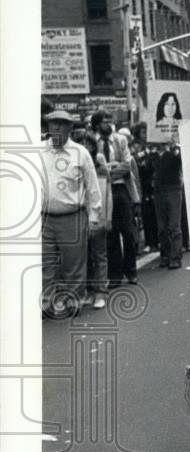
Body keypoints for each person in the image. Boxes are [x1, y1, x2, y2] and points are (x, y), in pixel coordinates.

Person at [40, 109, 102, 318]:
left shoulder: (80, 153)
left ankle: (74, 301)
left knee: (73, 263)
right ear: (48, 127)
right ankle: (46, 303)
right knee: (45, 263)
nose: (56, 128)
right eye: (53, 124)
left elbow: (92, 187)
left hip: (72, 216)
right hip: (44, 218)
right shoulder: (38, 151)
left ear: (70, 129)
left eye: (61, 124)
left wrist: (94, 218)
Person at [91, 108, 140, 286]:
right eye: (105, 121)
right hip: (103, 190)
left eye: (110, 120)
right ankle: (115, 275)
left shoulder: (120, 140)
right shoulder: (92, 141)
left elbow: (127, 164)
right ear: (97, 124)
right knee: (110, 234)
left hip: (121, 189)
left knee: (128, 232)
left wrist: (108, 171)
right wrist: (111, 168)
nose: (109, 124)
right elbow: (93, 168)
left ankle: (131, 271)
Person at [79, 131, 112, 308]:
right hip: (79, 216)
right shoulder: (74, 167)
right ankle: (88, 291)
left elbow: (107, 195)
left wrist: (108, 217)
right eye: (82, 143)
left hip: (98, 216)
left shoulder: (101, 168)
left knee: (99, 255)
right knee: (82, 256)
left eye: (89, 144)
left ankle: (101, 292)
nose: (86, 147)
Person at [151, 135, 184, 269]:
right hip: (159, 191)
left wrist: (174, 147)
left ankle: (175, 257)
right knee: (162, 226)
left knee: (174, 225)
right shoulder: (152, 155)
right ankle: (165, 255)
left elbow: (180, 160)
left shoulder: (174, 152)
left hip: (173, 189)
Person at [131, 122, 158, 252]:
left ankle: (157, 240)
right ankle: (149, 241)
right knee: (146, 213)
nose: (145, 134)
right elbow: (134, 159)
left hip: (152, 180)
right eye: (143, 132)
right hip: (141, 181)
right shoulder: (134, 146)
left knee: (155, 211)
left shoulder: (152, 144)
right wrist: (145, 152)